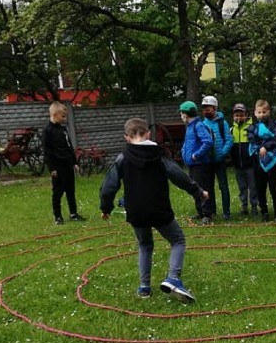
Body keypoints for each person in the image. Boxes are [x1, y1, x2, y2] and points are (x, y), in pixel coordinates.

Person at [99, 118, 208, 302]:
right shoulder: (159, 155)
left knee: (145, 245)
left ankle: (144, 288)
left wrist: (106, 207)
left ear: (126, 137)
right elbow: (179, 176)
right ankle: (173, 278)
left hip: (136, 212)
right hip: (159, 210)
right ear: (148, 134)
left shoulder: (122, 158)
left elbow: (109, 186)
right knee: (177, 240)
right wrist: (198, 191)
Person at [42, 102, 85, 225]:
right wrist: (52, 168)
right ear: (54, 115)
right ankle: (58, 216)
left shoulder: (63, 130)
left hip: (68, 165)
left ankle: (73, 213)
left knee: (70, 191)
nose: (65, 119)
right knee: (58, 192)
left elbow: (69, 146)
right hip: (57, 167)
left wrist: (74, 162)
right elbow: (46, 151)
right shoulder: (47, 131)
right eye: (63, 116)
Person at [179, 100, 215, 224]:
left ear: (185, 114)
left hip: (201, 164)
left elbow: (208, 142)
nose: (181, 116)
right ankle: (200, 212)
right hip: (192, 165)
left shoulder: (198, 125)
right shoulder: (190, 126)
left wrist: (196, 155)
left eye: (181, 113)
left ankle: (207, 214)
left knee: (203, 187)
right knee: (195, 188)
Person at [247, 99, 276, 222]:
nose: (262, 114)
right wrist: (260, 147)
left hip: (272, 161)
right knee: (260, 188)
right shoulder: (253, 127)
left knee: (274, 187)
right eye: (259, 112)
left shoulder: (274, 125)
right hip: (258, 162)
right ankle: (264, 211)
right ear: (255, 113)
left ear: (269, 111)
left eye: (264, 112)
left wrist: (266, 147)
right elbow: (252, 139)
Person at [201, 96, 234, 220]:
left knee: (223, 186)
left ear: (214, 108)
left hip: (220, 160)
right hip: (208, 161)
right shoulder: (202, 124)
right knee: (209, 187)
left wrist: (222, 153)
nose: (206, 111)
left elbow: (229, 140)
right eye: (204, 109)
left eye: (208, 109)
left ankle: (227, 211)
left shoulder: (222, 123)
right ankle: (211, 210)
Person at [230, 103, 258, 216]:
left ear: (246, 115)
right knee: (242, 187)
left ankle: (254, 206)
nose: (239, 118)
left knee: (253, 187)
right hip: (238, 164)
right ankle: (244, 206)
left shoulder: (252, 128)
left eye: (241, 115)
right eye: (237, 115)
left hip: (250, 164)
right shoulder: (231, 130)